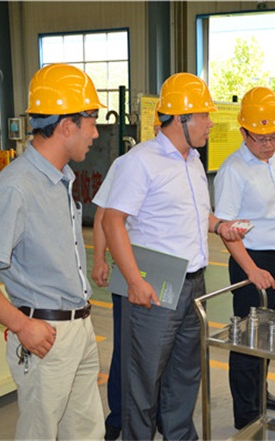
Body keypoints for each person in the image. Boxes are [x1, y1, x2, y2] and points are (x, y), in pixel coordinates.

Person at [0, 63, 105, 439]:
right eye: (92, 122)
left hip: (79, 326)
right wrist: (22, 326)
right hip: (45, 335)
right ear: (67, 125)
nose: (95, 133)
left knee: (87, 431)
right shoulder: (17, 186)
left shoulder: (60, 179)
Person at [101, 72, 247, 440]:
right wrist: (134, 281)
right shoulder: (141, 161)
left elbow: (196, 214)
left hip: (194, 282)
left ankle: (179, 434)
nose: (210, 123)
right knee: (143, 376)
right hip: (155, 282)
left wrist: (220, 226)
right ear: (181, 118)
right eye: (204, 115)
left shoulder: (193, 160)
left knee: (185, 372)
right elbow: (113, 221)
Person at [213, 86, 275, 430]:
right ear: (244, 132)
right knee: (247, 339)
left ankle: (260, 392)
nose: (269, 144)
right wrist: (252, 270)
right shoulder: (233, 170)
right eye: (261, 138)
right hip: (253, 262)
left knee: (270, 335)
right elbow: (226, 230)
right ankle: (246, 414)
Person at [91, 112, 162, 441]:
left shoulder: (188, 164)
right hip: (133, 266)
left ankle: (157, 413)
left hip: (170, 272)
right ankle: (119, 415)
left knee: (163, 352)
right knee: (127, 349)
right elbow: (104, 215)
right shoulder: (130, 163)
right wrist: (100, 258)